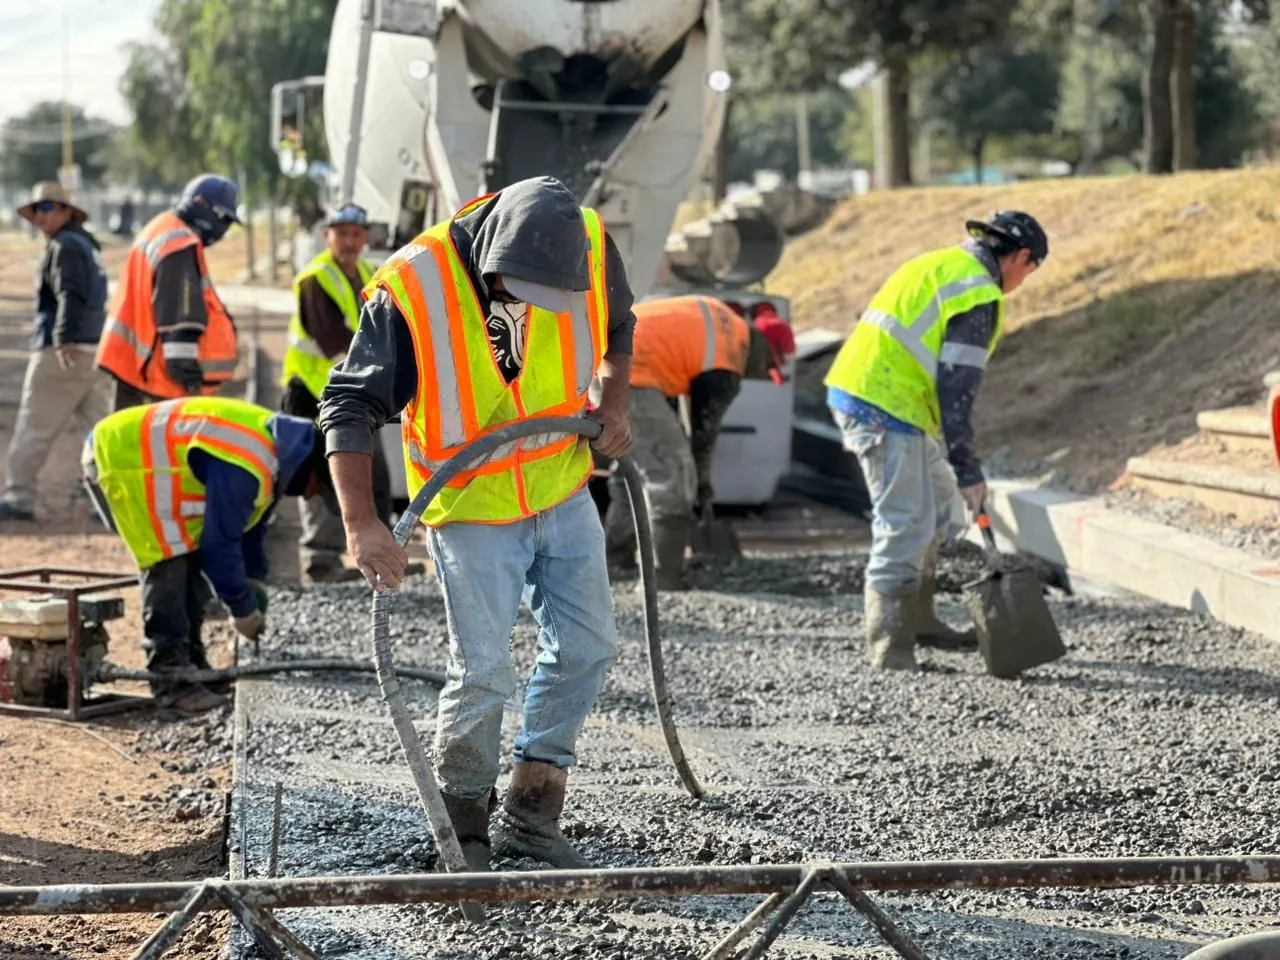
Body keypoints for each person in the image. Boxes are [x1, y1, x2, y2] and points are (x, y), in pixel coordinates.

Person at [319, 176, 634, 871]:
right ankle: (462, 825)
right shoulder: (412, 287)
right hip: (471, 507)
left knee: (588, 647)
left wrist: (614, 401)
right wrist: (362, 523)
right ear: (492, 250)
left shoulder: (585, 243)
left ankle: (532, 809)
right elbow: (347, 406)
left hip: (561, 486)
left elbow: (618, 332)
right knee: (485, 670)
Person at [824, 211, 1047, 671]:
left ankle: (920, 619)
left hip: (889, 396)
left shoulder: (940, 265)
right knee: (903, 521)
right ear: (1022, 257)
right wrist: (968, 468)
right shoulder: (978, 293)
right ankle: (890, 645)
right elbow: (956, 390)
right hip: (882, 404)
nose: (1025, 280)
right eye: (1032, 269)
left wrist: (959, 473)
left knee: (942, 509)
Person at [82, 397, 335, 714]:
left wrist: (253, 583)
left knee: (188, 555)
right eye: (316, 486)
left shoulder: (276, 447)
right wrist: (242, 608)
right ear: (308, 467)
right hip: (122, 459)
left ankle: (192, 666)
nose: (311, 494)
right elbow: (220, 547)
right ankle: (171, 680)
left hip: (143, 462)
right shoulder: (249, 462)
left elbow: (250, 529)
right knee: (169, 561)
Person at [602, 295, 796, 588]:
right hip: (631, 371)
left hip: (609, 359)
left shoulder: (722, 323)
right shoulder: (729, 358)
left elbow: (686, 402)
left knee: (633, 473)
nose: (760, 375)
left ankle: (615, 560)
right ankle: (663, 579)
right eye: (767, 367)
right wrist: (701, 483)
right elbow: (705, 433)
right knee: (672, 474)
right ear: (763, 350)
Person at [280, 203, 389, 585]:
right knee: (320, 477)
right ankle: (320, 562)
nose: (349, 241)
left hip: (351, 391)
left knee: (370, 469)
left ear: (366, 238)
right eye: (341, 233)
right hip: (312, 394)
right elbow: (335, 343)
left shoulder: (365, 274)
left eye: (356, 234)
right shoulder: (316, 278)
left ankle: (380, 555)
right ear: (327, 236)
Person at [0, 182, 109, 522]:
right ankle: (108, 501)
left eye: (48, 208)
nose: (41, 216)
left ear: (65, 211)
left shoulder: (65, 247)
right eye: (37, 210)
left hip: (63, 350)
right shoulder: (86, 245)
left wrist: (62, 338)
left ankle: (19, 496)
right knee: (100, 430)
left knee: (35, 425)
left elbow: (70, 294)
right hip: (93, 347)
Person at [96, 174, 242, 411]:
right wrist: (186, 377)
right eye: (223, 218)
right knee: (157, 445)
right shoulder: (179, 245)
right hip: (158, 380)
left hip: (134, 367)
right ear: (201, 205)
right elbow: (178, 316)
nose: (222, 229)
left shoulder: (161, 228)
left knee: (127, 443)